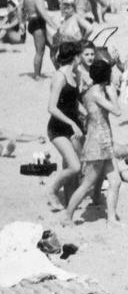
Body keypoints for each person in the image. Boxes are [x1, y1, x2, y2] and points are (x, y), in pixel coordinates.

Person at [63, 56, 121, 224]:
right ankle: (67, 217)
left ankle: (111, 219)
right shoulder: (96, 93)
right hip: (97, 144)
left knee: (115, 182)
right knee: (87, 184)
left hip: (104, 142)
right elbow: (117, 111)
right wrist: (113, 94)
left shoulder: (95, 91)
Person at [45, 41, 84, 210]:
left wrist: (85, 112)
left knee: (72, 165)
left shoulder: (74, 75)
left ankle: (69, 203)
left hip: (72, 127)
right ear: (75, 57)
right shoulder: (59, 76)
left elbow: (72, 102)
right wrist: (72, 123)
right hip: (57, 129)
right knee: (75, 167)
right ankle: (52, 191)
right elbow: (51, 107)